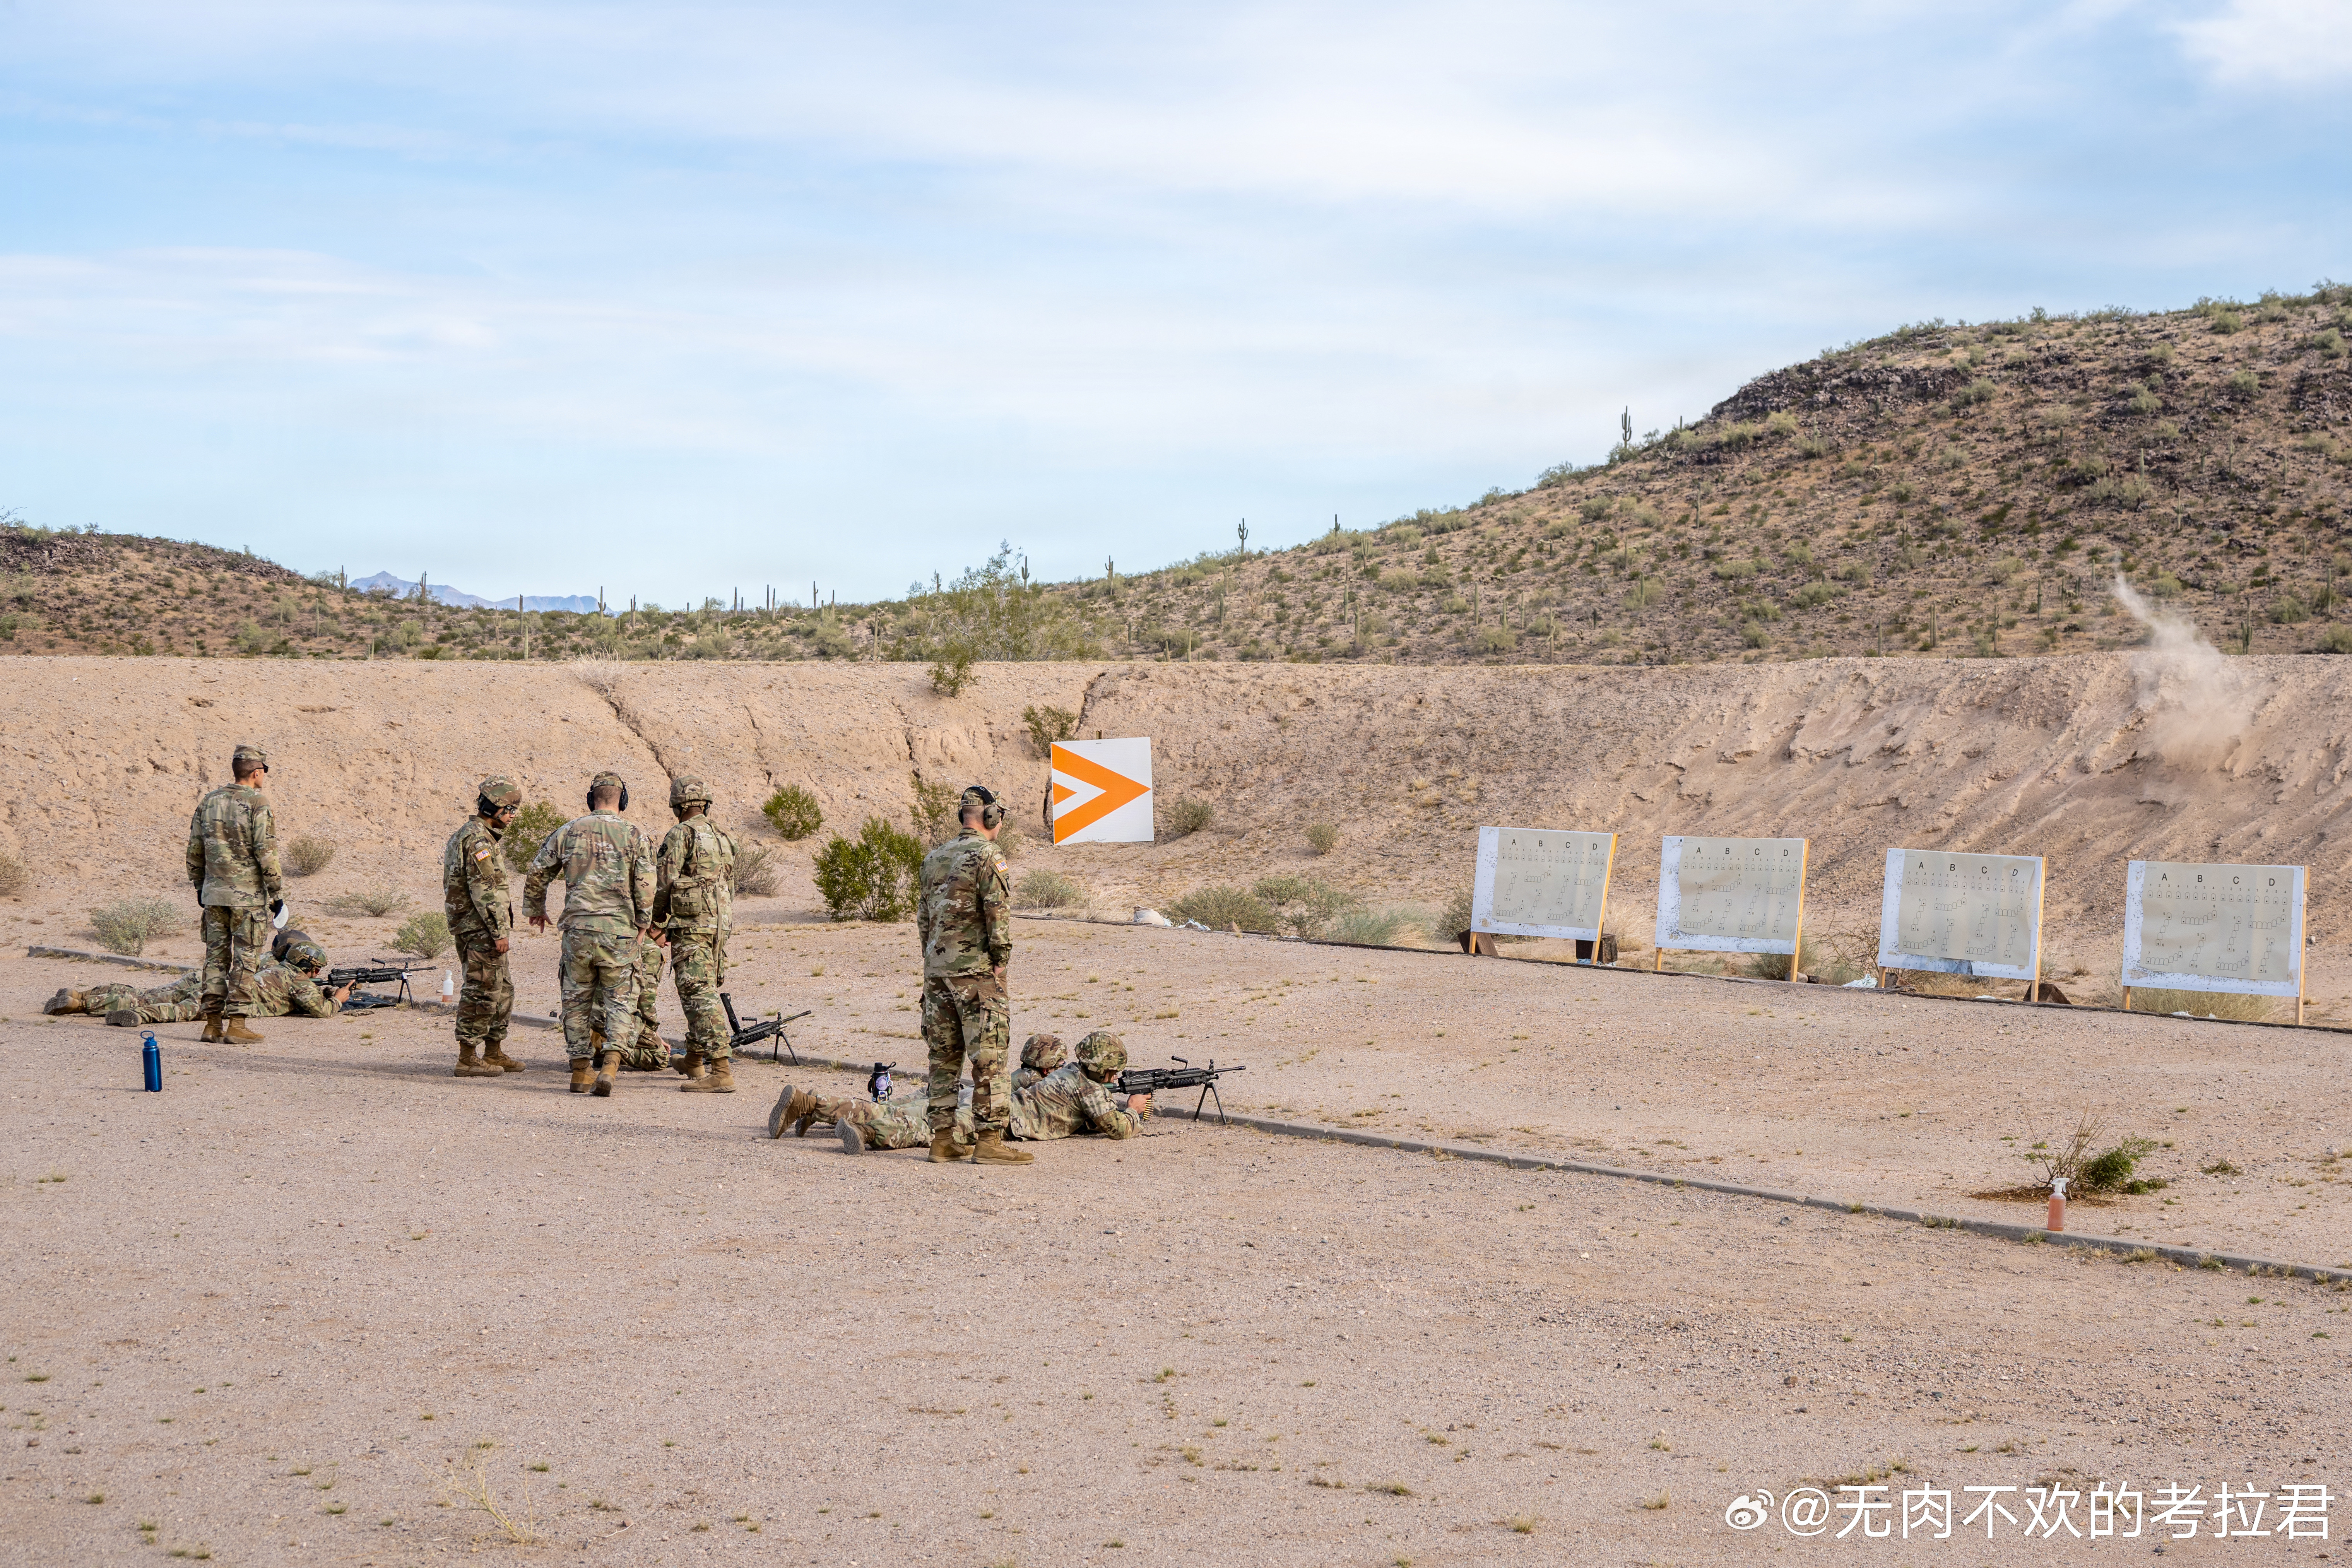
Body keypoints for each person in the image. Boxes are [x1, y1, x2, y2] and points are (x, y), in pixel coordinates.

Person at [769, 1031, 1148, 1154]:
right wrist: (1134, 1109)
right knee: (926, 1130)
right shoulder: (1089, 1087)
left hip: (981, 1100)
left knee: (915, 1115)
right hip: (996, 1118)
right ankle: (868, 1131)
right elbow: (1115, 1127)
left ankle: (813, 1105)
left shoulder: (1067, 1072)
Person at [523, 771, 655, 1097]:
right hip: (619, 933)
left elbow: (538, 871)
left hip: (578, 932)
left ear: (590, 798)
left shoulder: (568, 831)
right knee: (620, 1001)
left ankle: (581, 1071)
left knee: (576, 1002)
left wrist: (536, 909)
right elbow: (647, 885)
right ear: (622, 800)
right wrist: (642, 923)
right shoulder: (636, 834)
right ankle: (610, 1065)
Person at [916, 784, 1025, 1164]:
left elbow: (924, 921)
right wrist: (1000, 959)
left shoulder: (933, 859)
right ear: (991, 817)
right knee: (989, 1057)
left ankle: (942, 1140)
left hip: (937, 974)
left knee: (943, 1059)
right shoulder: (988, 855)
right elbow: (997, 912)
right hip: (976, 975)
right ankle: (989, 1141)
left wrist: (932, 965)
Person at [766, 1032, 1065, 1139]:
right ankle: (810, 1105)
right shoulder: (1040, 1081)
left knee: (882, 1108)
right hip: (964, 1107)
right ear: (1049, 1065)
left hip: (955, 1096)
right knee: (884, 1115)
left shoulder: (1016, 1073)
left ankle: (815, 1103)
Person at [184, 742, 284, 1044]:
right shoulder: (258, 803)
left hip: (214, 896)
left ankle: (212, 1024)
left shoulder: (208, 801)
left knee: (215, 959)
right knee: (245, 960)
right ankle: (237, 1025)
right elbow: (266, 853)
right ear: (256, 772)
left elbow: (195, 850)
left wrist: (200, 886)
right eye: (264, 772)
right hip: (247, 898)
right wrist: (277, 894)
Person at [655, 774, 739, 1093]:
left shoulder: (680, 834)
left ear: (677, 805)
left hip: (693, 925)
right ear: (705, 803)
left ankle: (721, 1069)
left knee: (697, 992)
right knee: (701, 984)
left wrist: (656, 919)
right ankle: (693, 1058)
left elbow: (663, 880)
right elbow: (729, 884)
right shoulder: (723, 835)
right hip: (719, 925)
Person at [47, 939, 352, 1026]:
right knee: (179, 1011)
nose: (316, 974)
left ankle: (83, 998)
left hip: (216, 985)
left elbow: (300, 993)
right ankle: (137, 1017)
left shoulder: (276, 966)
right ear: (308, 966)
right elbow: (321, 1011)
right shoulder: (299, 981)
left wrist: (322, 990)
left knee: (147, 994)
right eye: (316, 969)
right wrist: (338, 997)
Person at [443, 775, 526, 1080]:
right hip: (479, 929)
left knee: (501, 989)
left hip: (481, 928)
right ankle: (467, 1057)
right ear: (496, 808)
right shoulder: (477, 839)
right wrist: (498, 931)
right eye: (511, 810)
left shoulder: (477, 835)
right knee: (481, 990)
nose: (513, 816)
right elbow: (485, 891)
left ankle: (493, 1051)